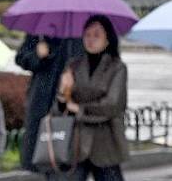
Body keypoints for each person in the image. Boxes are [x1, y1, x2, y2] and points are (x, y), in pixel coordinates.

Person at [55, 14, 129, 181]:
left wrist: (79, 108)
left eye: (97, 35)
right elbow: (60, 108)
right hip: (76, 143)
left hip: (106, 143)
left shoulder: (117, 68)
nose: (90, 40)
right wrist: (63, 91)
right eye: (87, 35)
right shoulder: (73, 65)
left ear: (108, 39)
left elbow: (113, 105)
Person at [16, 33, 83, 172]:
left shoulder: (82, 30)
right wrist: (37, 54)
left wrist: (74, 71)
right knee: (39, 157)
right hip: (41, 99)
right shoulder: (40, 31)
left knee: (68, 158)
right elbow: (22, 57)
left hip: (71, 100)